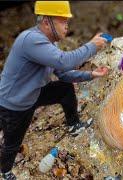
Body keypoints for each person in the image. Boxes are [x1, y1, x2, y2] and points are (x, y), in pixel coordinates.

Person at [0, 1, 109, 179]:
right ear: (46, 22)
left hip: (32, 93)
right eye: (62, 21)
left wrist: (91, 74)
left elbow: (63, 73)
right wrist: (92, 45)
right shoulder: (30, 40)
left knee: (64, 88)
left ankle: (74, 125)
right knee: (12, 143)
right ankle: (5, 172)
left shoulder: (49, 44)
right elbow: (64, 61)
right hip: (14, 104)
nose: (67, 26)